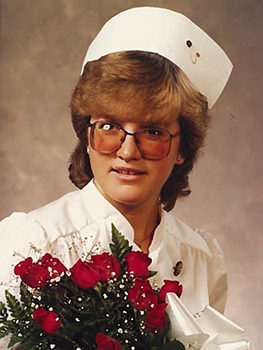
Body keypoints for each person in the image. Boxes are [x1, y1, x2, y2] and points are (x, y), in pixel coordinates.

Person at [1, 6, 253, 350]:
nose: (128, 151)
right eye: (109, 126)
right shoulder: (31, 243)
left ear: (182, 150)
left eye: (152, 131)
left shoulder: (200, 258)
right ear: (86, 137)